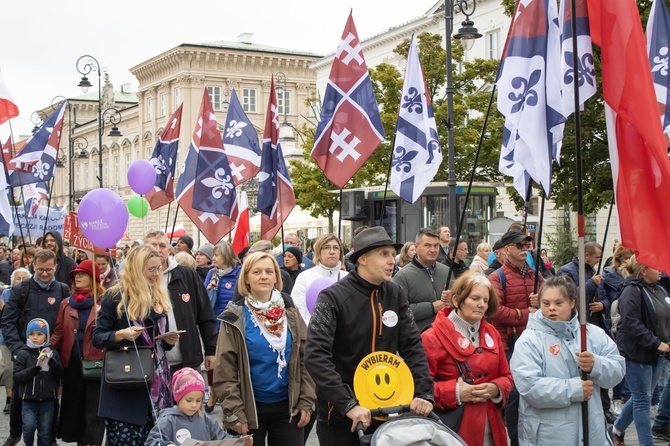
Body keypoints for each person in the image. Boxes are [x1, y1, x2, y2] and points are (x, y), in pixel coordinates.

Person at [305, 227, 434, 446]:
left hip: (389, 413)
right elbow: (315, 356)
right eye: (383, 254)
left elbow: (413, 346)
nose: (391, 260)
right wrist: (348, 405)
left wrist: (424, 392)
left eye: (393, 254)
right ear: (362, 258)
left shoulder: (396, 294)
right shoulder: (333, 297)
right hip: (342, 419)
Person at [213, 252, 315, 446]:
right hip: (249, 410)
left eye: (269, 271)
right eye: (257, 272)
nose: (264, 276)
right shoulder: (234, 317)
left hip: (288, 408)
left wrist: (306, 400)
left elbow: (306, 359)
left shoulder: (290, 313)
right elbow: (225, 370)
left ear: (276, 277)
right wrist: (234, 411)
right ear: (246, 279)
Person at [511, 276, 624, 445]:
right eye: (546, 303)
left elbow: (618, 370)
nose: (551, 309)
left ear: (572, 303)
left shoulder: (592, 334)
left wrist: (596, 365)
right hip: (549, 435)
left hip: (592, 432)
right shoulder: (529, 340)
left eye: (558, 303)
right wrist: (574, 388)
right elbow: (529, 387)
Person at [93, 245, 179, 445]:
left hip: (158, 388)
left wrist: (168, 341)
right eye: (151, 269)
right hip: (127, 388)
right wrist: (118, 335)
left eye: (159, 268)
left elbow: (159, 342)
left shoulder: (158, 294)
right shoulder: (115, 296)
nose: (156, 274)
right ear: (137, 269)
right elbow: (97, 338)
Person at [421, 271, 513, 445]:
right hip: (453, 431)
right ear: (456, 300)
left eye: (485, 301)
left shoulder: (492, 332)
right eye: (475, 298)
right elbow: (420, 388)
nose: (481, 305)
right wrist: (456, 392)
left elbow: (507, 377)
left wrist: (496, 388)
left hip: (492, 428)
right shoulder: (431, 337)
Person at [1, 249, 69, 446]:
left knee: (52, 396)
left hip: (50, 351)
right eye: (41, 270)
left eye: (49, 269)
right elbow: (8, 322)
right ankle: (15, 433)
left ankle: (50, 437)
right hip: (25, 351)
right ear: (33, 267)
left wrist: (55, 350)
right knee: (18, 395)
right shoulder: (20, 290)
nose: (45, 273)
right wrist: (18, 349)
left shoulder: (63, 290)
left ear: (55, 266)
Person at [488, 230, 543, 446]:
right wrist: (526, 313)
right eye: (519, 246)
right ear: (507, 249)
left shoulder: (536, 274)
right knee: (514, 396)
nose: (524, 249)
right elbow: (494, 311)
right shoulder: (496, 277)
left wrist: (543, 300)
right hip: (509, 343)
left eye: (526, 245)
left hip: (534, 341)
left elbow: (547, 306)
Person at [609, 256, 670, 446]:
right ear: (643, 270)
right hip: (638, 353)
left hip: (657, 352)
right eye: (655, 266)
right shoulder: (631, 291)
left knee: (641, 397)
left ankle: (617, 429)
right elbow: (632, 324)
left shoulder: (658, 289)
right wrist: (655, 342)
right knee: (643, 401)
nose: (660, 269)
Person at [144, 231, 217, 375]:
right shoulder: (137, 280)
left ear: (169, 249)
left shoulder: (186, 275)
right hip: (149, 363)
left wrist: (210, 350)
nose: (158, 250)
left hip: (186, 361)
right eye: (153, 246)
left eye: (162, 245)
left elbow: (205, 314)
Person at [50, 260, 106, 446]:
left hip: (97, 363)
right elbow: (59, 331)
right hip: (73, 364)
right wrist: (46, 350)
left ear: (94, 278)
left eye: (82, 274)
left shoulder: (104, 302)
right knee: (76, 408)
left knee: (94, 410)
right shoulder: (66, 303)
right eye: (76, 275)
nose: (77, 277)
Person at [145, 367, 250, 446]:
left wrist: (240, 442)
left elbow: (223, 439)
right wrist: (166, 444)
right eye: (189, 400)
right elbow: (152, 441)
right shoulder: (168, 420)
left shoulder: (205, 419)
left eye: (198, 400)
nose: (194, 405)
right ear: (178, 397)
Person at [203, 241, 241, 413]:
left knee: (230, 362)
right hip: (214, 324)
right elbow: (204, 299)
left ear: (226, 255)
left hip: (233, 324)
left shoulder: (239, 273)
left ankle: (227, 395)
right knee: (213, 362)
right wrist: (210, 289)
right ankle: (213, 393)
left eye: (217, 255)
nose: (214, 258)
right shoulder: (212, 273)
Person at [13, 318, 63, 446]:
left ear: (46, 336)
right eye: (32, 334)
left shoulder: (53, 353)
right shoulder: (23, 354)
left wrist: (52, 363)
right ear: (28, 335)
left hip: (47, 400)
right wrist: (31, 371)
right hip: (28, 400)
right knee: (28, 428)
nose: (35, 337)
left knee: (44, 432)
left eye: (39, 334)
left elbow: (60, 374)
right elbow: (17, 376)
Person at [393, 228, 451, 331]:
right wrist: (431, 308)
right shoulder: (402, 276)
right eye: (427, 245)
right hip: (417, 340)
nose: (433, 250)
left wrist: (453, 300)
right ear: (416, 247)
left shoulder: (447, 272)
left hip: (446, 336)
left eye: (436, 246)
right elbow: (398, 311)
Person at [291, 234, 349, 325]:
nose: (332, 252)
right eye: (326, 247)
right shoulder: (304, 277)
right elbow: (298, 314)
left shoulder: (348, 278)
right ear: (318, 252)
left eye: (336, 248)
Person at [0, 268, 31, 415]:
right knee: (8, 369)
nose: (21, 281)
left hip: (27, 336)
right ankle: (9, 397)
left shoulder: (31, 292)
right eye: (18, 278)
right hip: (7, 338)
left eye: (24, 277)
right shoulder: (7, 293)